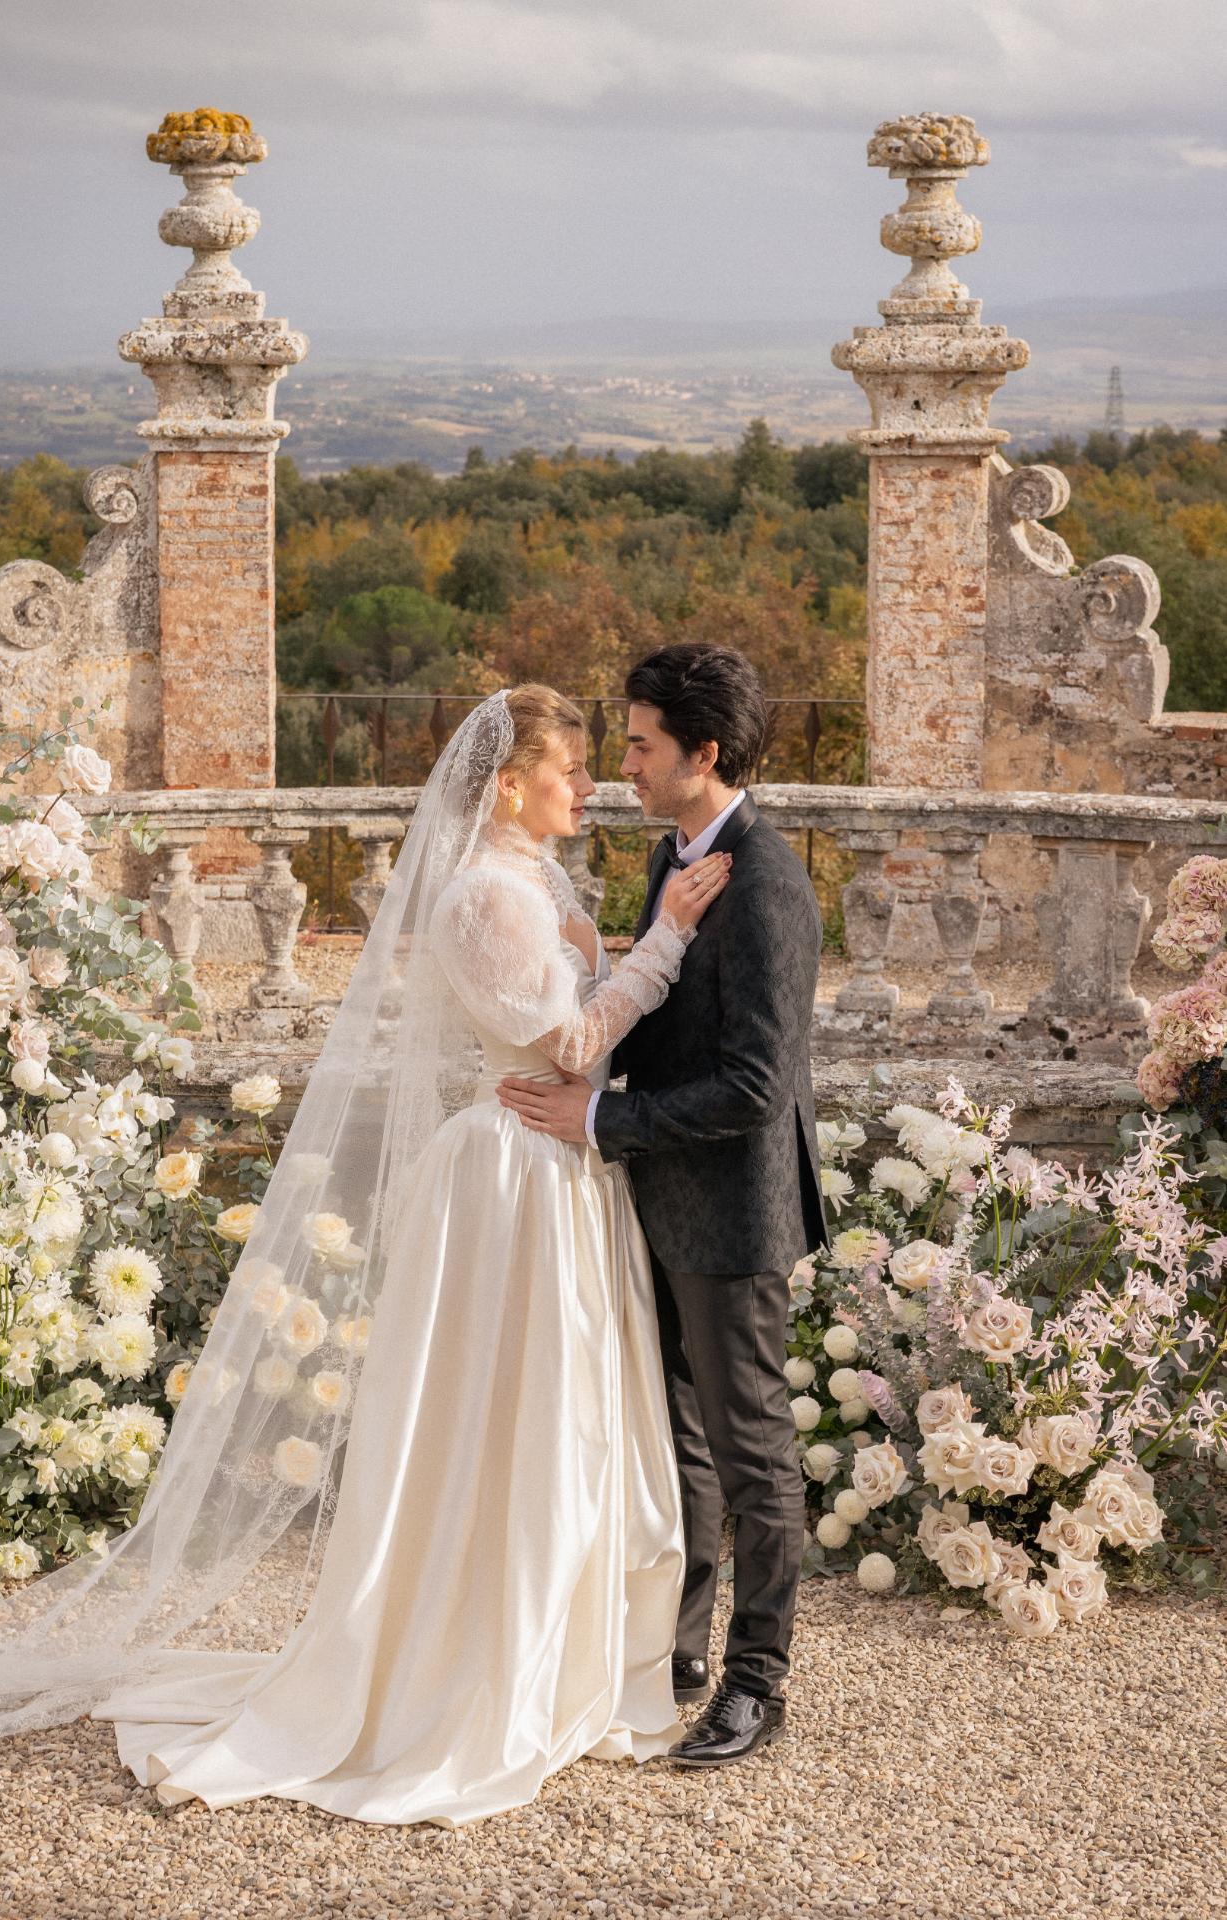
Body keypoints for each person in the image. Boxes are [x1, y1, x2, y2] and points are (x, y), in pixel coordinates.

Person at [0, 685, 730, 1828]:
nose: (590, 788)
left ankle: (564, 1657)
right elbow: (567, 1041)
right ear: (510, 785)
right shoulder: (479, 894)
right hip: (511, 1178)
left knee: (569, 1416)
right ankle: (471, 1668)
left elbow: (577, 1027)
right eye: (570, 770)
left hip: (564, 1168)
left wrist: (603, 953)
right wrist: (662, 939)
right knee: (510, 1410)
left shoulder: (545, 883)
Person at [499, 644, 827, 1768]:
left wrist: (596, 1124)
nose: (623, 763)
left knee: (750, 1451)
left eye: (640, 745)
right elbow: (644, 1008)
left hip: (731, 1214)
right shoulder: (668, 859)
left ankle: (756, 1684)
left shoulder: (769, 881)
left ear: (705, 752)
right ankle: (677, 1654)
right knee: (676, 1438)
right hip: (650, 1199)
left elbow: (754, 1087)